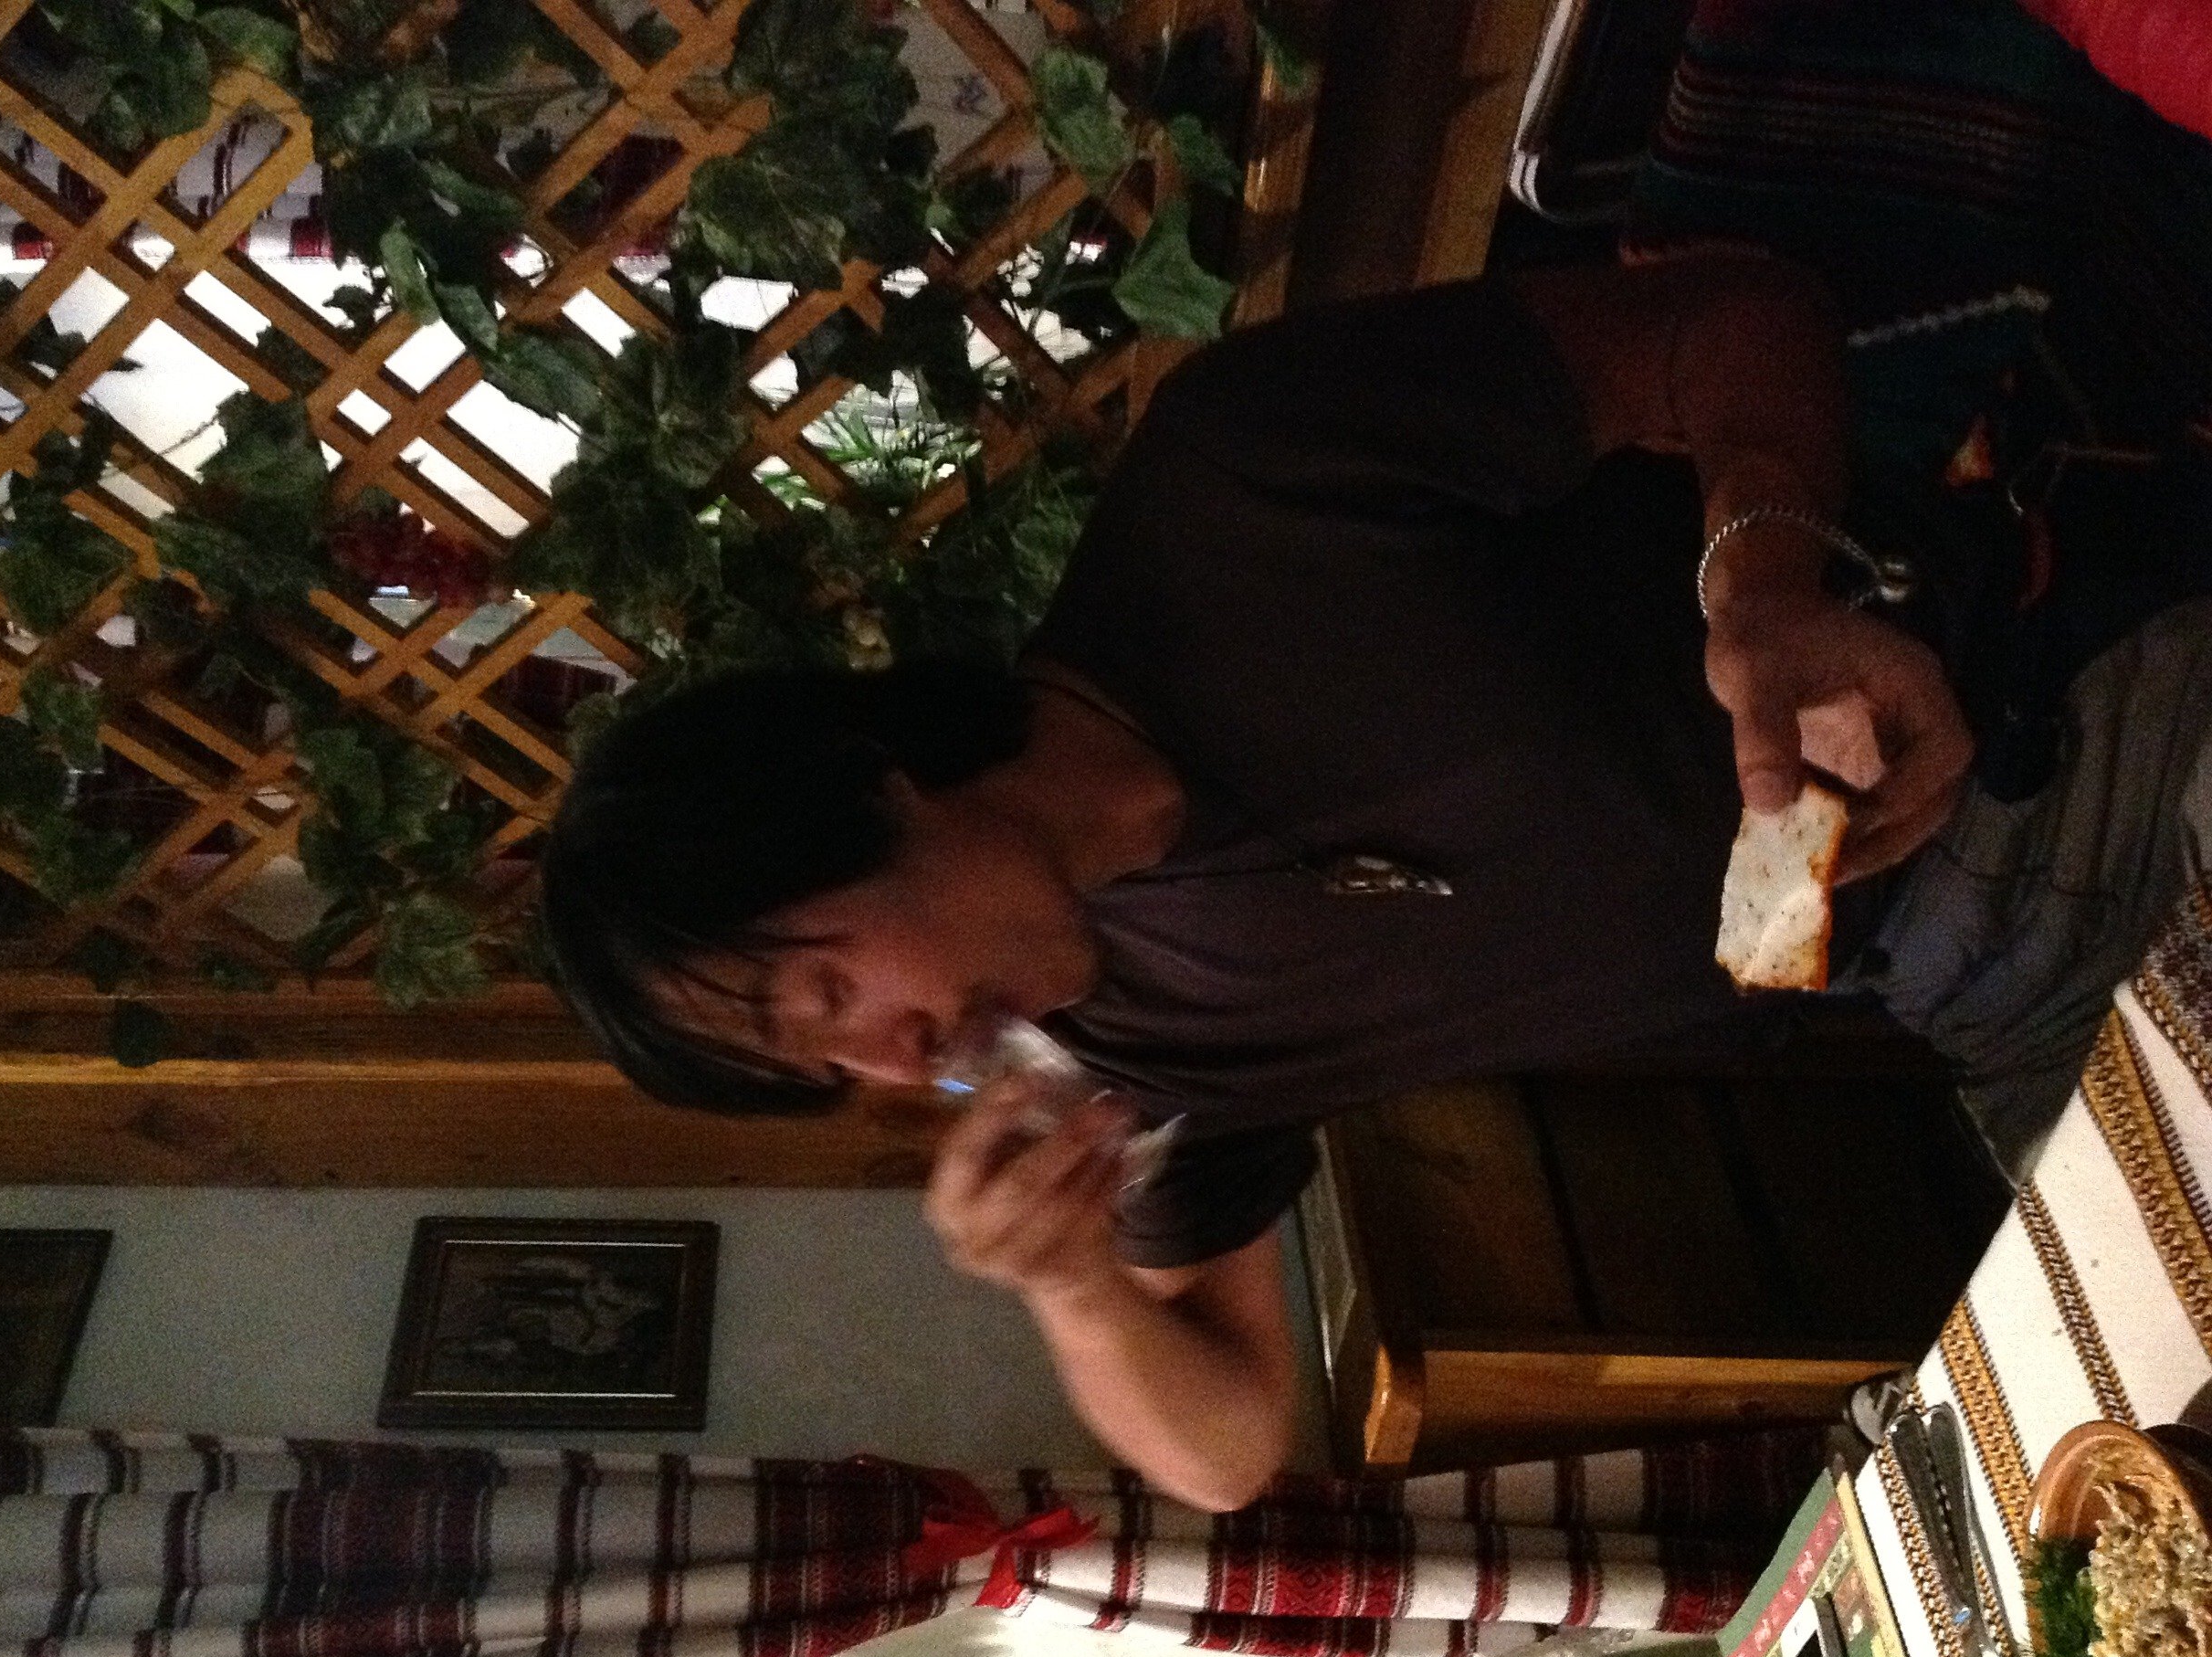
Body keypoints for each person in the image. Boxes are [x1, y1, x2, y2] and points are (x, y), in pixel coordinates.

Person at [540, 253, 2212, 1511]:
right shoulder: (1136, 1062)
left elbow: (1731, 314)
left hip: (2067, 713)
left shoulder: (1240, 487)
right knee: (2150, 1459)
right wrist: (1076, 1291)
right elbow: (1224, 1452)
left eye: (826, 991)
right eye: (825, 1066)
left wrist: (1763, 591)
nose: (890, 1064)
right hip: (1976, 1000)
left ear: (863, 788)